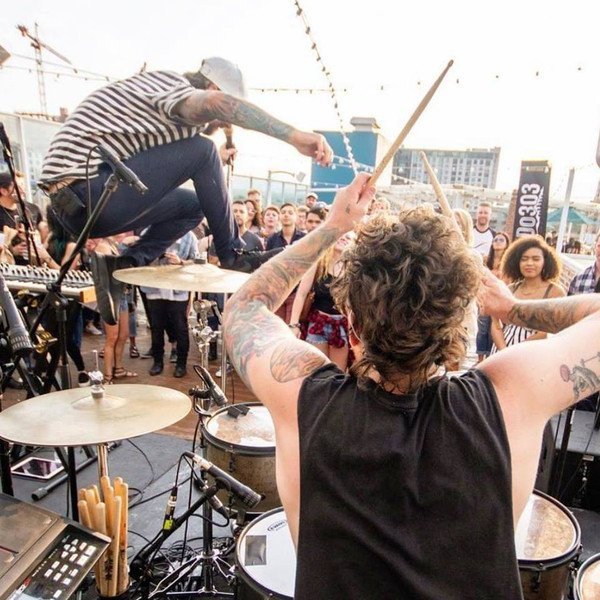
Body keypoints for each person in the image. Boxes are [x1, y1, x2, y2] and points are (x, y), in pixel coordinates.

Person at [223, 172, 600, 599]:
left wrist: (333, 226)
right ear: (457, 322)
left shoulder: (303, 397)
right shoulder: (511, 394)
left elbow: (243, 309)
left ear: (353, 325)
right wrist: (512, 308)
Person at [38, 57, 332, 325]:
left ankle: (122, 263)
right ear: (213, 87)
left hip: (85, 204)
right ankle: (234, 255)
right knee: (204, 150)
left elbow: (161, 169)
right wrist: (294, 136)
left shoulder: (166, 122)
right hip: (86, 188)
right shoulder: (173, 84)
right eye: (226, 116)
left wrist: (215, 162)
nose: (226, 124)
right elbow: (212, 107)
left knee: (195, 206)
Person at [289, 231, 355, 370]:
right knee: (317, 372)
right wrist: (294, 325)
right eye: (341, 235)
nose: (343, 238)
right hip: (318, 324)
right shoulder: (319, 263)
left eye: (348, 237)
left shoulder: (354, 269)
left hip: (341, 327)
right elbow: (301, 294)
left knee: (337, 374)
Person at [491, 235, 565, 353]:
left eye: (536, 259)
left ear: (545, 262)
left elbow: (548, 332)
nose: (529, 263)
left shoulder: (555, 292)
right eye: (524, 259)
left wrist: (515, 351)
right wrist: (503, 350)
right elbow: (495, 325)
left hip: (534, 353)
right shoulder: (510, 289)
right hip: (501, 350)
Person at [141, 231, 197, 378]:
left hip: (178, 288)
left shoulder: (189, 236)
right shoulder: (150, 232)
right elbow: (140, 257)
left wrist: (181, 262)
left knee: (180, 327)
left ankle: (181, 364)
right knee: (156, 327)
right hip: (155, 287)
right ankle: (157, 362)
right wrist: (153, 257)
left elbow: (197, 261)